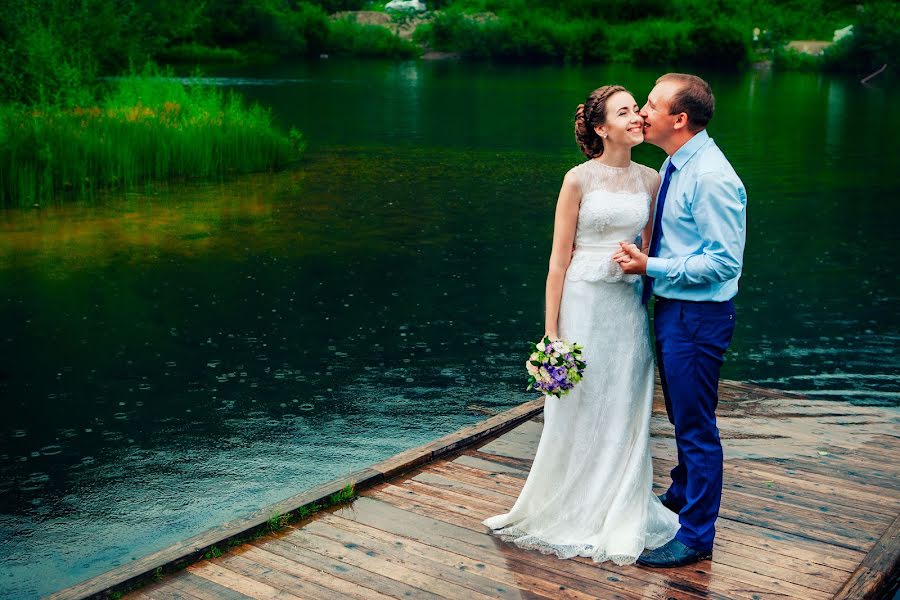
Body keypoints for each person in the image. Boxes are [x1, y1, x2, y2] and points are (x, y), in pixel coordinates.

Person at [482, 85, 679, 565]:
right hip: (582, 302)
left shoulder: (652, 179)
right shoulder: (577, 180)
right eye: (624, 112)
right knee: (579, 402)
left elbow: (651, 250)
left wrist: (643, 263)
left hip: (626, 304)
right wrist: (551, 331)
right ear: (600, 128)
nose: (636, 117)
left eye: (637, 109)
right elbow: (557, 259)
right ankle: (568, 503)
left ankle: (620, 503)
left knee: (625, 399)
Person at [614, 73, 747, 568]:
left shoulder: (711, 177)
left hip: (698, 314)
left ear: (679, 118)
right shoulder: (678, 163)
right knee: (682, 416)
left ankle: (696, 535)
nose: (643, 112)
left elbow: (722, 263)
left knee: (695, 426)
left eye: (651, 104)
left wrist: (651, 266)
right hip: (676, 308)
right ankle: (681, 493)